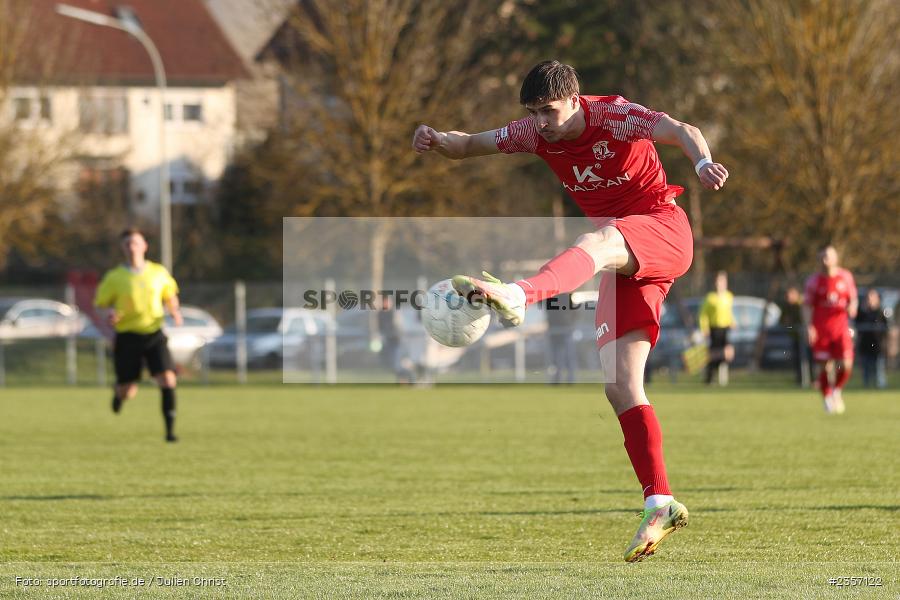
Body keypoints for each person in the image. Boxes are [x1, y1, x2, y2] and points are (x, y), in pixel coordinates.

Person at [412, 60, 729, 561]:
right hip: (623, 257)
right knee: (621, 385)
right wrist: (437, 140)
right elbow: (470, 144)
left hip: (662, 228)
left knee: (597, 239)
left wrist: (702, 161)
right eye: (533, 112)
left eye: (550, 110)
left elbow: (683, 130)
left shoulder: (616, 116)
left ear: (575, 98)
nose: (541, 122)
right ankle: (660, 501)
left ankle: (519, 294)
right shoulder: (535, 134)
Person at [94, 228, 182, 442]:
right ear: (123, 249)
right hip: (127, 336)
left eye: (135, 242)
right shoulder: (115, 277)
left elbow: (170, 295)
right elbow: (101, 305)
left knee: (168, 379)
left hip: (154, 333)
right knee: (128, 389)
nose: (132, 247)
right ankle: (119, 393)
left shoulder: (158, 272)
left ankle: (170, 432)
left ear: (144, 246)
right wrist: (109, 314)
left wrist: (174, 311)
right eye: (127, 244)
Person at [803, 245, 857, 414]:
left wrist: (853, 307)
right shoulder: (813, 281)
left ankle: (836, 390)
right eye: (823, 256)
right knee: (824, 367)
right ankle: (827, 397)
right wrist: (809, 326)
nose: (825, 259)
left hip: (841, 329)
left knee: (846, 364)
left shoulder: (845, 277)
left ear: (836, 259)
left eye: (829, 256)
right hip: (821, 330)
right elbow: (806, 306)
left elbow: (853, 298)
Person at [698, 271, 735, 385]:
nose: (721, 283)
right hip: (714, 329)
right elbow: (703, 314)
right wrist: (704, 328)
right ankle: (709, 378)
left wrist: (732, 322)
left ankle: (714, 376)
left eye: (723, 281)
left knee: (727, 353)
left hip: (726, 329)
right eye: (719, 281)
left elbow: (728, 312)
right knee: (714, 355)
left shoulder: (729, 296)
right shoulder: (710, 298)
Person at [856, 288, 888, 389]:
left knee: (878, 368)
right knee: (866, 367)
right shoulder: (862, 313)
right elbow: (857, 324)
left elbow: (886, 328)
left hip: (877, 345)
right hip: (865, 345)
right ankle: (867, 386)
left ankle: (880, 385)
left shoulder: (881, 312)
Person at [544, 292, 578, 384]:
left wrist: (570, 324)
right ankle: (559, 378)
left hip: (564, 329)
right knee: (557, 357)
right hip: (557, 329)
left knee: (566, 356)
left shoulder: (563, 297)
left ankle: (569, 379)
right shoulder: (551, 297)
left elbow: (574, 313)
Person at [778, 286, 807, 386]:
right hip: (795, 337)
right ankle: (800, 379)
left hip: (806, 337)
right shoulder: (786, 307)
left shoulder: (802, 304)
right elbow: (782, 322)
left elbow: (804, 320)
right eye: (787, 296)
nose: (788, 298)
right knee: (798, 358)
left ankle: (811, 379)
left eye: (790, 295)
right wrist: (789, 325)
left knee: (807, 359)